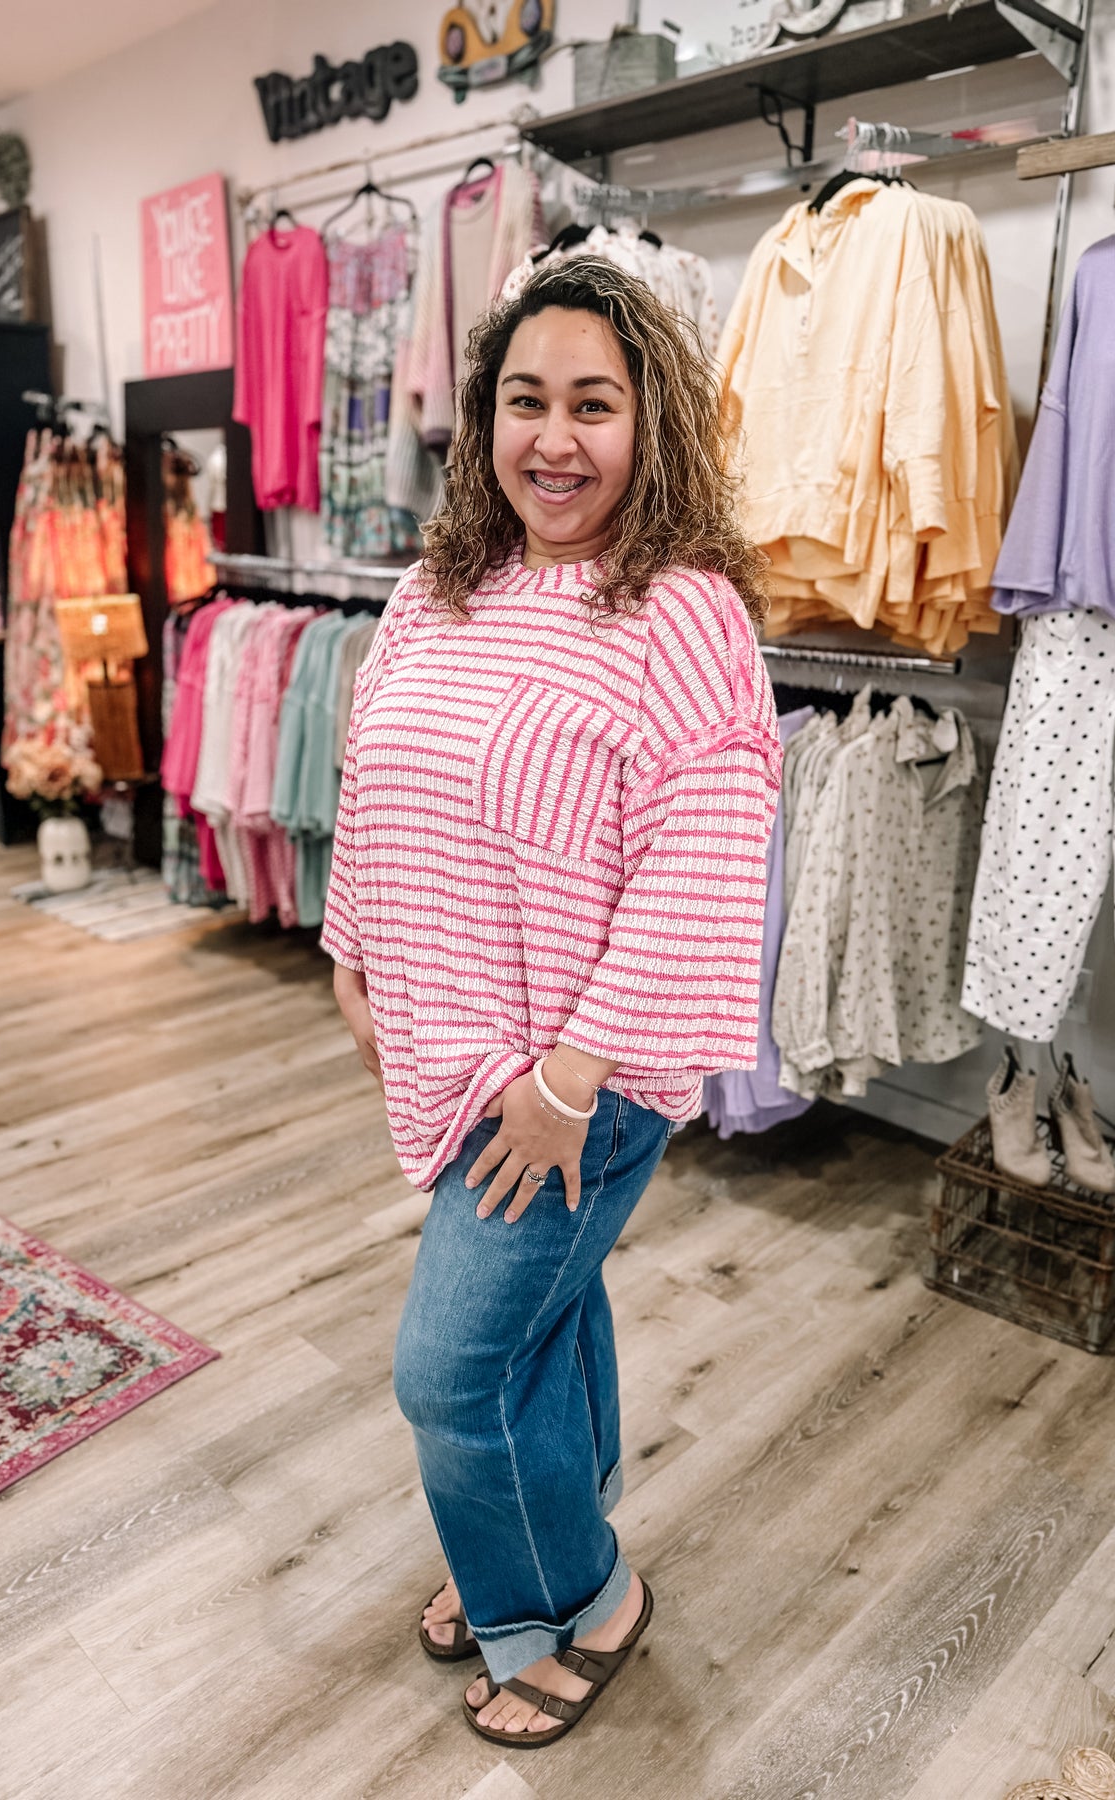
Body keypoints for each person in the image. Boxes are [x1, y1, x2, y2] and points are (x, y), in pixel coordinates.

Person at [323, 255, 781, 1747]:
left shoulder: (683, 615)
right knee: (545, 1314)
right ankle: (527, 1535)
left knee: (452, 1374)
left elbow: (702, 874)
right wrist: (352, 951)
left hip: (577, 1078)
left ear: (652, 425)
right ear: (484, 418)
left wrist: (569, 1081)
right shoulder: (436, 588)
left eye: (594, 404)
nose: (554, 439)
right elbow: (372, 779)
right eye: (526, 401)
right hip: (457, 1045)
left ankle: (577, 1597)